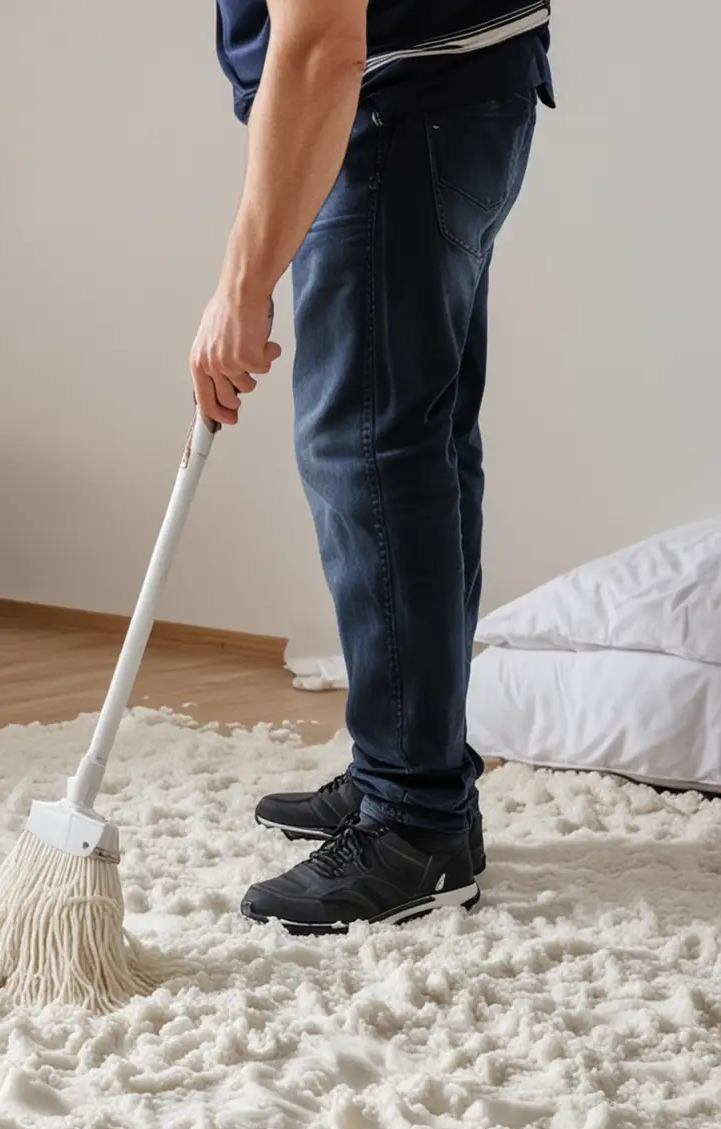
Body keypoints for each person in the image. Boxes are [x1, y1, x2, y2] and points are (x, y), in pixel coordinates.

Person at [194, 0, 553, 934]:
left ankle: (415, 822)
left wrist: (243, 285)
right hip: (464, 97)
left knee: (373, 456)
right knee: (422, 451)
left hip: (398, 111)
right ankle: (408, 769)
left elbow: (319, 43)